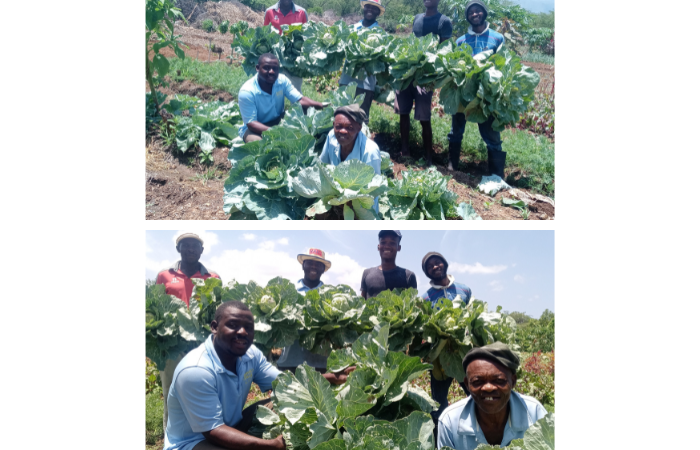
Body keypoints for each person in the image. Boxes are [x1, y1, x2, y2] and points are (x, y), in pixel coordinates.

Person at [164, 301, 353, 450]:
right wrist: (270, 446)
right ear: (214, 327)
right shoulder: (196, 370)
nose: (243, 332)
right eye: (233, 325)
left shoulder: (249, 354)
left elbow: (283, 382)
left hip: (231, 425)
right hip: (193, 442)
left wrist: (330, 377)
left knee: (278, 402)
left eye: (249, 327)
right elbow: (213, 431)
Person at [155, 232, 221, 430]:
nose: (191, 249)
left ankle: (201, 437)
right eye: (186, 245)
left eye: (195, 245)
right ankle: (171, 438)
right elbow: (156, 307)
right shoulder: (164, 275)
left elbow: (219, 310)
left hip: (202, 344)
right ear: (178, 249)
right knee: (170, 392)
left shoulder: (213, 277)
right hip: (171, 344)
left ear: (202, 251)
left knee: (203, 390)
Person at [437, 343, 548, 450]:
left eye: (499, 380)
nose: (488, 388)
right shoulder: (450, 421)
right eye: (477, 381)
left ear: (513, 381)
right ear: (467, 384)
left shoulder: (534, 413)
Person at [446, 0, 506, 176]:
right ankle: (452, 167)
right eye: (471, 12)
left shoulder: (497, 38)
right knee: (455, 131)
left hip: (486, 95)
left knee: (492, 135)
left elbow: (503, 64)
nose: (474, 14)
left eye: (478, 11)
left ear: (484, 13)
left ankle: (496, 174)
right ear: (468, 17)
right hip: (462, 93)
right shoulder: (460, 41)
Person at [420, 252, 472, 435]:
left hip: (464, 353)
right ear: (427, 273)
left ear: (444, 264)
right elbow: (425, 328)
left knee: (473, 393)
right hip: (440, 359)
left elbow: (472, 317)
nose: (435, 267)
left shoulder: (464, 290)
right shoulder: (425, 298)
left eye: (437, 263)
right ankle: (441, 436)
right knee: (439, 401)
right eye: (430, 266)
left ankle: (477, 430)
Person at [394, 0, 452, 163]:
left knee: (424, 116)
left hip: (426, 75)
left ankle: (428, 156)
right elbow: (413, 43)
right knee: (403, 112)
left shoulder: (444, 21)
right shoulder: (417, 18)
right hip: (408, 72)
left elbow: (445, 50)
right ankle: (405, 150)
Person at [238, 53, 327, 143]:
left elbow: (300, 100)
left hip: (278, 121)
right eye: (266, 68)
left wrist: (323, 106)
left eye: (275, 69)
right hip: (256, 129)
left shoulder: (282, 80)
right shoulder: (247, 91)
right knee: (257, 143)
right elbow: (251, 124)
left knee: (305, 110)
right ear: (257, 68)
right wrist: (279, 133)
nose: (272, 71)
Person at [277, 248, 333, 373]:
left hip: (319, 362)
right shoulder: (289, 291)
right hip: (289, 360)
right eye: (310, 263)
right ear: (303, 265)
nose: (314, 267)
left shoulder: (330, 295)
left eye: (318, 264)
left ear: (323, 269)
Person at [320, 104, 382, 213]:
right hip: (335, 200)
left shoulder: (370, 151)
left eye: (350, 128)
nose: (343, 131)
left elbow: (373, 189)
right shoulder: (331, 137)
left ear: (359, 128)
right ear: (333, 125)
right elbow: (322, 166)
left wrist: (348, 201)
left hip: (362, 208)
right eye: (338, 126)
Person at [338, 0, 386, 124]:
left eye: (374, 8)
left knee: (360, 119)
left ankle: (361, 143)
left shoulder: (381, 34)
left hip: (365, 84)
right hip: (346, 80)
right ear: (363, 8)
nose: (370, 9)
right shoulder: (351, 29)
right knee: (342, 115)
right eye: (368, 6)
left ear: (378, 12)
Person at [263, 0, 308, 91]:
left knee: (296, 94)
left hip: (294, 63)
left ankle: (295, 106)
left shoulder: (302, 12)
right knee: (274, 92)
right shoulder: (269, 12)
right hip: (275, 61)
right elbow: (265, 36)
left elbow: (307, 37)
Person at [361, 230, 417, 299]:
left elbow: (412, 305)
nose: (387, 246)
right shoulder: (367, 273)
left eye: (392, 243)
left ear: (398, 248)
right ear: (378, 247)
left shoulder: (409, 276)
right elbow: (361, 304)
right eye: (383, 242)